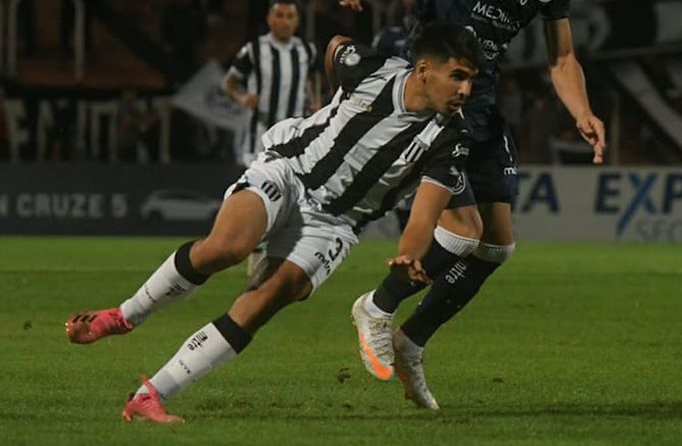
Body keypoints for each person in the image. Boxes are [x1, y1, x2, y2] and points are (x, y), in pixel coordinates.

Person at [64, 22, 485, 423]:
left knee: (262, 302)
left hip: (335, 222)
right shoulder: (370, 68)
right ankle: (124, 316)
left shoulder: (452, 137)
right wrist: (331, 104)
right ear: (424, 70)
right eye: (458, 77)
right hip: (289, 168)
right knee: (228, 246)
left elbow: (425, 213)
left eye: (471, 80)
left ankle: (149, 396)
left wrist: (407, 255)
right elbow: (336, 45)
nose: (465, 90)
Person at [328, 0, 605, 410]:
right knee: (459, 232)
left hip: (482, 102)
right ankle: (378, 307)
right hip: (435, 100)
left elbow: (561, 59)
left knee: (496, 245)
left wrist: (581, 110)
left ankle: (410, 342)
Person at [223, 0, 322, 274]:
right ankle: (255, 255)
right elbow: (229, 82)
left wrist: (315, 100)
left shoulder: (306, 50)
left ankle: (277, 256)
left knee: (291, 198)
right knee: (257, 195)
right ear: (269, 19)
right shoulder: (254, 49)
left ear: (297, 21)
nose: (284, 22)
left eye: (290, 16)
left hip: (294, 138)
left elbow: (315, 76)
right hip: (260, 137)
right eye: (279, 15)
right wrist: (242, 97)